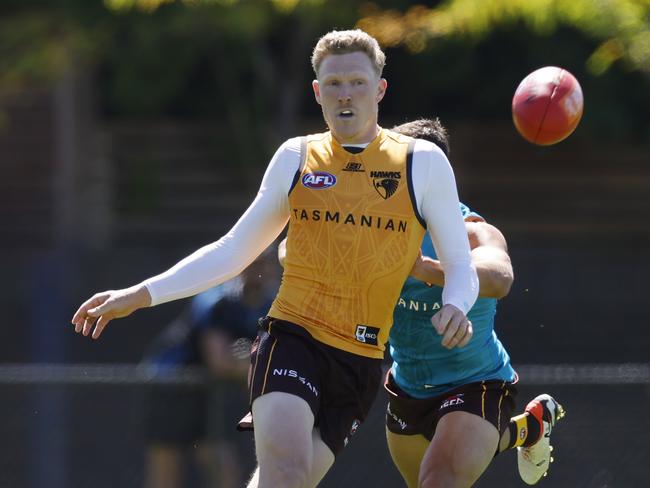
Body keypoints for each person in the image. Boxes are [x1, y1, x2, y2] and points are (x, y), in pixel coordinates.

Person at [72, 29, 479, 488]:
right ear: (317, 92)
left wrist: (457, 305)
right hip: (292, 338)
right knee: (286, 474)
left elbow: (461, 267)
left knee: (283, 481)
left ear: (380, 89)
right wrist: (139, 295)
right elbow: (232, 250)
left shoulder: (420, 163)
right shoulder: (296, 157)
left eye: (357, 83)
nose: (345, 94)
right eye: (333, 84)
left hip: (360, 360)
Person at [385, 118, 565, 487]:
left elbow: (500, 276)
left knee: (439, 479)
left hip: (476, 383)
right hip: (408, 389)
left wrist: (425, 269)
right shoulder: (377, 226)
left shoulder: (471, 229)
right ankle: (528, 428)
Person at [140, 252, 278, 488]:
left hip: (207, 392)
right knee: (166, 469)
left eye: (264, 263)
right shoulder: (217, 300)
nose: (258, 271)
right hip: (172, 384)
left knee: (222, 463)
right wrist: (257, 368)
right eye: (252, 263)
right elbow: (219, 362)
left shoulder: (271, 304)